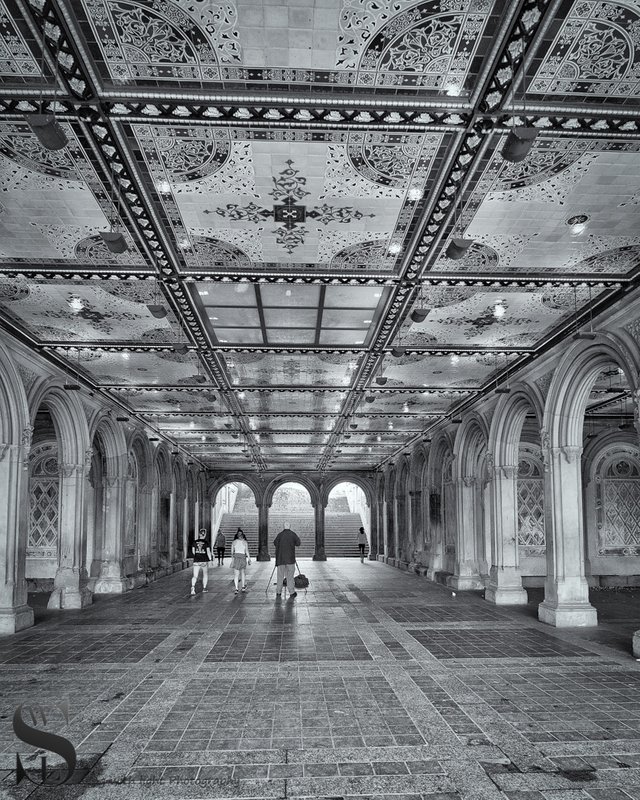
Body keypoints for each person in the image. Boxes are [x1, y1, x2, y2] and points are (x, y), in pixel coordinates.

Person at [273, 521, 300, 599]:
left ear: (283, 526)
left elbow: (275, 543)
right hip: (290, 559)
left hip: (280, 559)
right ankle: (291, 592)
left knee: (280, 576)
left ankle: (278, 592)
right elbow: (298, 543)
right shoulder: (293, 534)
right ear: (290, 526)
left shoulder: (280, 535)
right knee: (290, 576)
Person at [191, 529, 212, 595]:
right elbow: (208, 552)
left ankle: (193, 587)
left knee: (195, 576)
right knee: (205, 574)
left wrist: (197, 555)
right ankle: (204, 588)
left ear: (199, 534)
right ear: (205, 534)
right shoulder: (206, 542)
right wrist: (210, 560)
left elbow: (193, 551)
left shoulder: (195, 542)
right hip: (204, 560)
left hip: (196, 560)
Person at [231, 529, 251, 594]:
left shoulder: (234, 542)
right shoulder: (245, 542)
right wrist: (249, 559)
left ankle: (236, 588)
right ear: (243, 536)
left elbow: (232, 552)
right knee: (243, 573)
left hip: (236, 557)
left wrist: (232, 560)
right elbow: (247, 551)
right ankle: (242, 587)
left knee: (236, 574)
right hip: (243, 557)